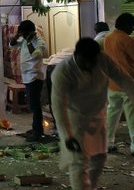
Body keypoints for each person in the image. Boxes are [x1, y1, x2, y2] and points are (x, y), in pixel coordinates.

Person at [52, 37, 134, 190]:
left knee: (99, 158)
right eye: (85, 61)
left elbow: (124, 80)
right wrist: (67, 135)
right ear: (76, 55)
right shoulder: (63, 71)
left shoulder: (102, 60)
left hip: (97, 116)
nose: (89, 65)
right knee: (78, 162)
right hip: (74, 120)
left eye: (92, 61)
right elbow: (58, 106)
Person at [10, 19, 48, 142]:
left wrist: (29, 40)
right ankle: (35, 128)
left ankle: (38, 132)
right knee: (32, 105)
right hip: (26, 77)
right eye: (23, 33)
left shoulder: (39, 41)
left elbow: (36, 55)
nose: (24, 35)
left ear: (31, 32)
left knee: (35, 106)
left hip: (35, 77)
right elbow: (12, 45)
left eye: (26, 33)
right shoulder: (24, 40)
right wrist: (17, 36)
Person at [105, 13, 134, 154]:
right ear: (127, 25)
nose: (133, 29)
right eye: (132, 26)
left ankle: (107, 142)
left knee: (112, 113)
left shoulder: (108, 38)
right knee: (132, 115)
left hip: (112, 82)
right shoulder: (127, 40)